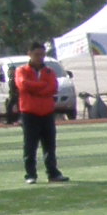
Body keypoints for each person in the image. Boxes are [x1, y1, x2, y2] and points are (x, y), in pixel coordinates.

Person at [13, 41, 67, 184]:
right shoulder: (21, 70)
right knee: (30, 146)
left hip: (47, 113)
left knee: (50, 145)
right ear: (29, 54)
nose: (40, 57)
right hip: (29, 113)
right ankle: (30, 174)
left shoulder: (49, 71)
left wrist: (37, 88)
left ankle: (53, 173)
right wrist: (42, 86)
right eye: (37, 54)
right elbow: (23, 85)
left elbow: (53, 88)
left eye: (42, 55)